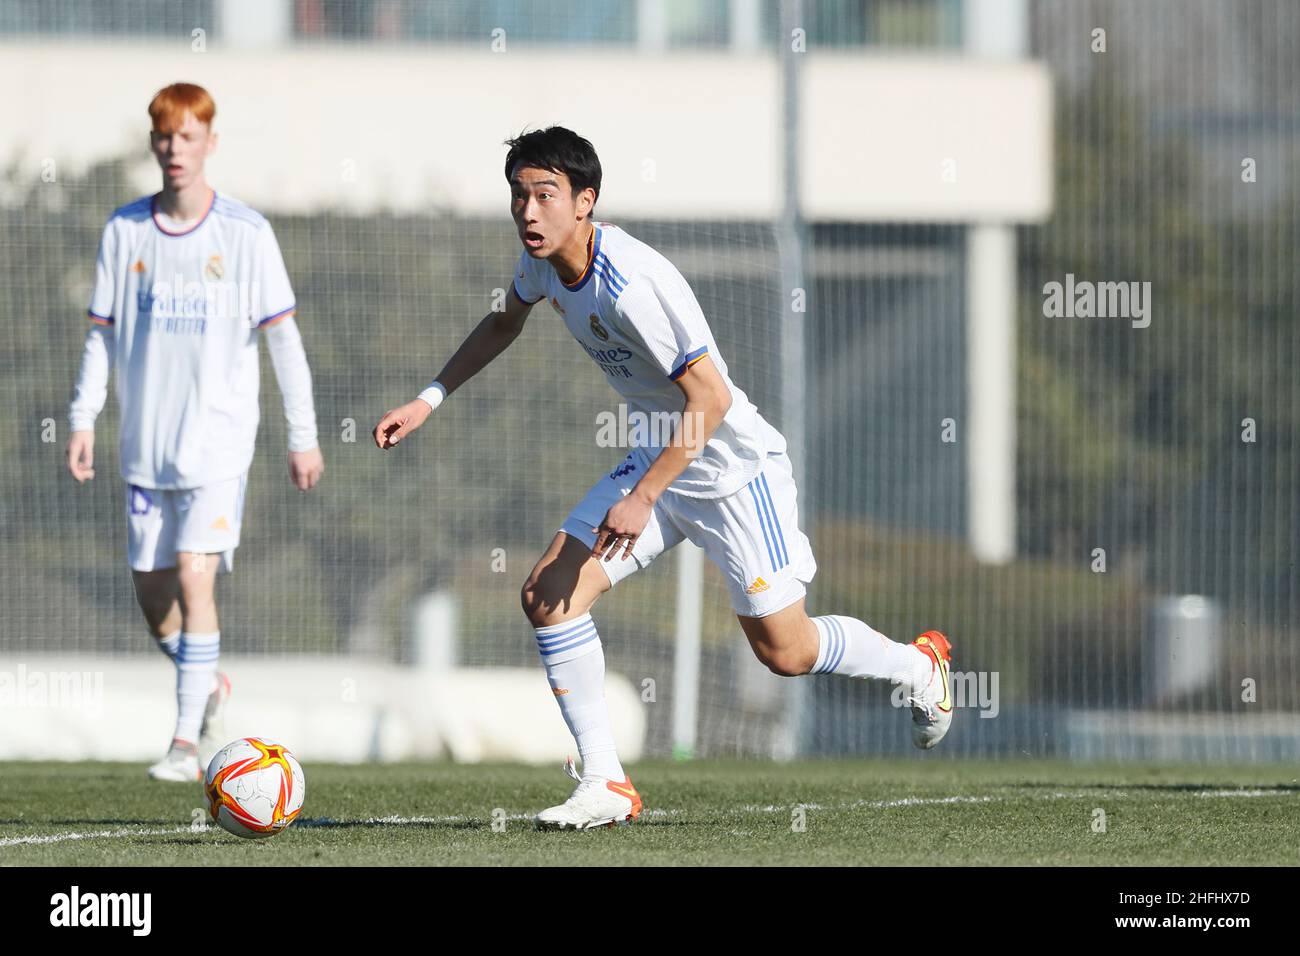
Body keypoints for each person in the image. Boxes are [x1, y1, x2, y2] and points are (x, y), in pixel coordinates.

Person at [373, 126, 952, 829]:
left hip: (734, 473)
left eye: (546, 195)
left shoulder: (632, 281)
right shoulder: (542, 264)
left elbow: (712, 400)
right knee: (548, 595)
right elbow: (503, 323)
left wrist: (644, 498)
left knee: (786, 653)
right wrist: (428, 398)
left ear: (585, 201)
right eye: (519, 196)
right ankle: (606, 782)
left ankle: (917, 669)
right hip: (657, 458)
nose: (529, 212)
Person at [67, 82, 324, 781]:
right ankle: (204, 681)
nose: (175, 149)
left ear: (211, 143)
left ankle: (185, 741)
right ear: (154, 143)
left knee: (194, 574)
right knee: (155, 598)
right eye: (164, 136)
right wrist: (82, 417)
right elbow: (101, 335)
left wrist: (304, 435)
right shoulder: (125, 231)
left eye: (188, 137)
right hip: (146, 447)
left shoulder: (245, 234)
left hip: (218, 444)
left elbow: (284, 344)